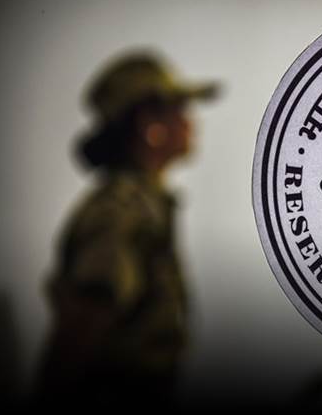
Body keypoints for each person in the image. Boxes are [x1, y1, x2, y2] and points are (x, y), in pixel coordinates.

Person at [36, 51, 218, 407]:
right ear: (149, 124)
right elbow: (79, 335)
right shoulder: (122, 211)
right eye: (178, 109)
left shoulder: (145, 205)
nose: (190, 121)